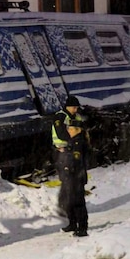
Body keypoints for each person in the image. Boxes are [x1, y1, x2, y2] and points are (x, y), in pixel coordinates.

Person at [51, 95, 90, 237]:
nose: (75, 109)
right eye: (74, 107)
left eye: (77, 107)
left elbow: (81, 132)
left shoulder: (78, 139)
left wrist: (71, 145)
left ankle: (81, 225)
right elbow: (61, 132)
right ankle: (72, 222)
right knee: (68, 194)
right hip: (63, 156)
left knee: (76, 196)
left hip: (71, 161)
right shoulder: (60, 117)